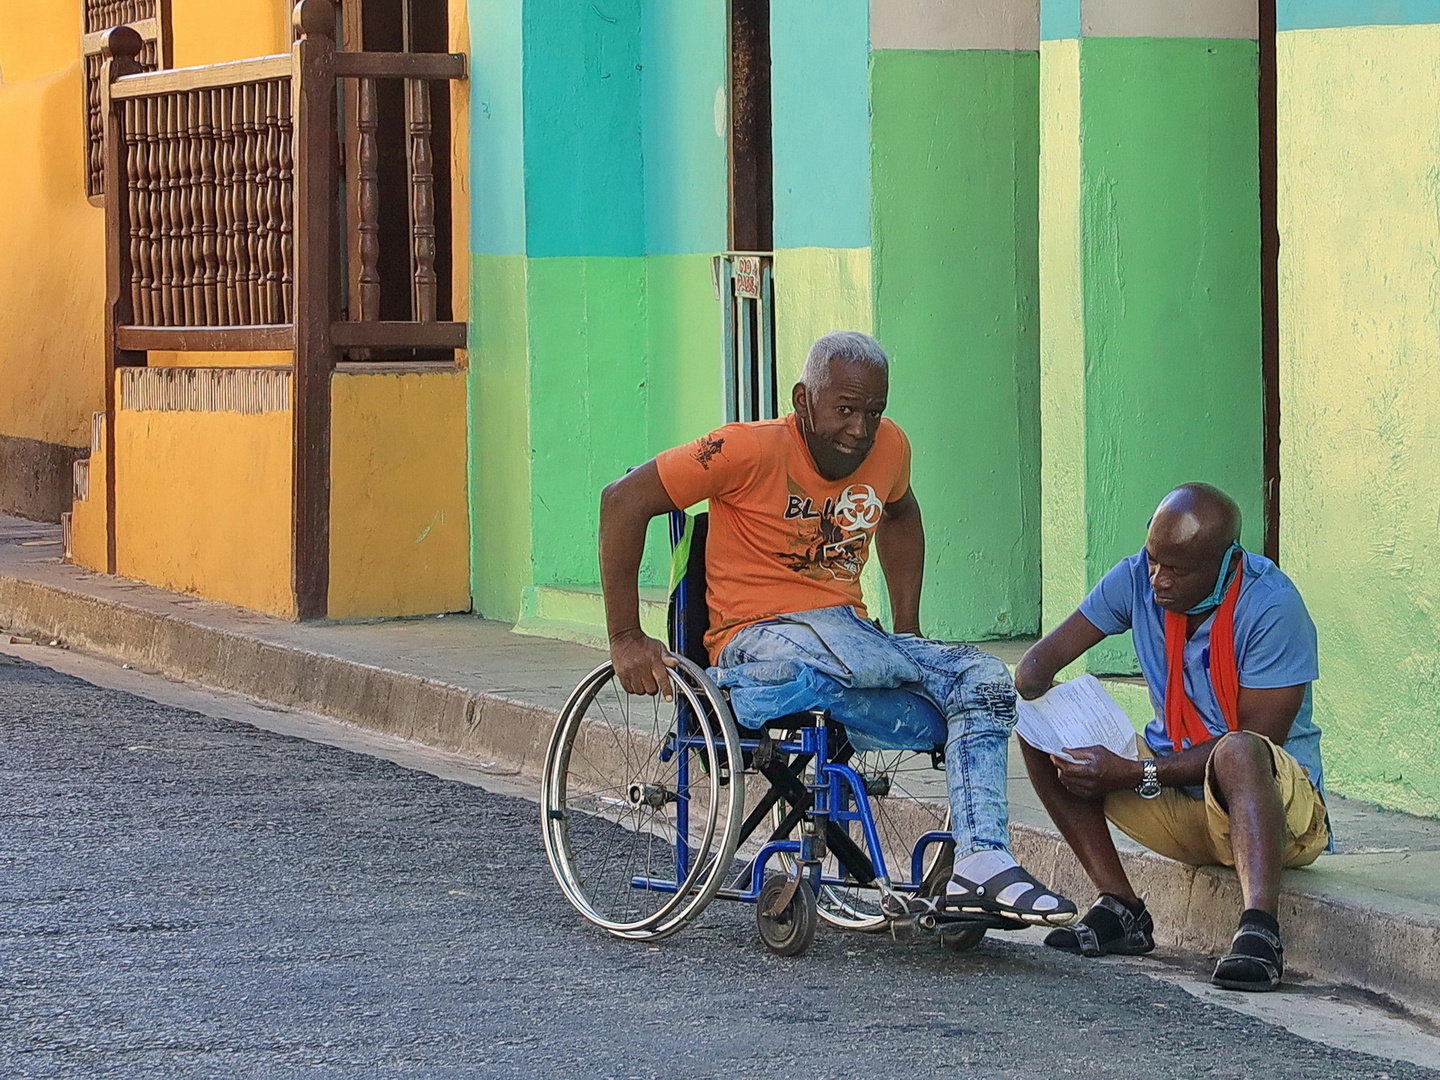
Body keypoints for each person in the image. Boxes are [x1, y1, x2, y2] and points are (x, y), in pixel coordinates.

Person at [598, 330, 1076, 927]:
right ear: (803, 400)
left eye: (873, 412)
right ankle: (827, 675)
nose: (860, 429)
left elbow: (901, 513)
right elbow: (622, 500)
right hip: (759, 639)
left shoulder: (891, 448)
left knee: (985, 679)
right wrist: (625, 637)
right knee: (848, 660)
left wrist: (909, 628)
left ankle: (981, 859)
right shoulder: (744, 449)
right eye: (845, 410)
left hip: (850, 642)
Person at [1014, 483, 1329, 991]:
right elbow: (1034, 668)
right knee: (1036, 728)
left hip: (1273, 812)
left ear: (1226, 563)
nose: (1158, 579)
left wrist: (1133, 772)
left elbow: (1255, 745)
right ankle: (1121, 908)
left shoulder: (1272, 606)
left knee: (1239, 750)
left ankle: (1260, 933)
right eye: (1154, 559)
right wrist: (1061, 710)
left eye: (1177, 570)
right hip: (1173, 792)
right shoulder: (1140, 576)